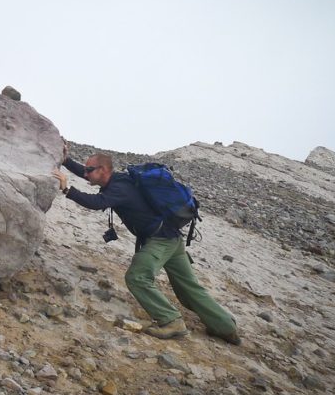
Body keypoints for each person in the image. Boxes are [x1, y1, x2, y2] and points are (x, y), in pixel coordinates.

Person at [51, 143, 241, 344]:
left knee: (137, 277)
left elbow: (96, 203)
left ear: (104, 170)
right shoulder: (119, 180)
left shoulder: (119, 188)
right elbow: (86, 174)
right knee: (188, 287)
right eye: (86, 169)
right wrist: (66, 160)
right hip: (172, 239)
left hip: (161, 241)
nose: (86, 174)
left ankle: (171, 321)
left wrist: (67, 189)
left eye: (90, 170)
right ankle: (225, 326)